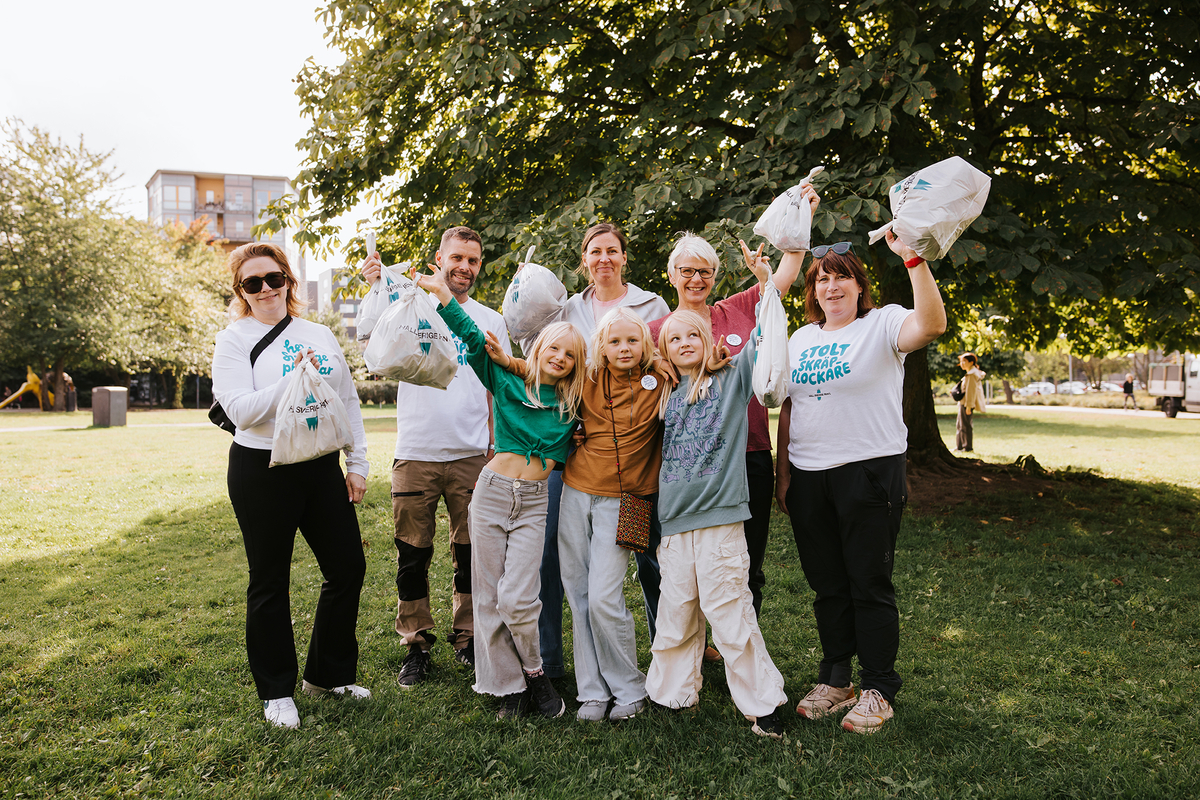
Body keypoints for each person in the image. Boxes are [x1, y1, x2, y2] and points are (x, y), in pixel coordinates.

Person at [776, 234, 946, 735]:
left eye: (842, 275)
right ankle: (835, 680)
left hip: (869, 472)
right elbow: (790, 405)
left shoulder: (883, 323)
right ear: (812, 290)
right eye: (822, 278)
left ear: (859, 284)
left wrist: (912, 259)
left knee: (868, 582)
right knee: (827, 584)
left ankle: (878, 688)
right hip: (809, 475)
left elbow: (932, 324)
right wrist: (785, 473)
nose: (832, 285)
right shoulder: (801, 338)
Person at [416, 257, 587, 720]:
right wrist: (443, 296)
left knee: (518, 597)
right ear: (541, 348)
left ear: (575, 366)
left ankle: (535, 672)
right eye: (554, 349)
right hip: (490, 493)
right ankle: (506, 688)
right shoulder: (507, 379)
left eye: (569, 355)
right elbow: (472, 340)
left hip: (533, 502)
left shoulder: (572, 406)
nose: (559, 358)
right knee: (488, 597)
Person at [212, 242, 371, 730]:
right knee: (269, 581)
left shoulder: (319, 334)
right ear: (241, 290)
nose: (265, 290)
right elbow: (240, 409)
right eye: (252, 283)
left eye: (273, 279)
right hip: (262, 470)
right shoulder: (234, 340)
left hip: (320, 466)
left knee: (347, 567)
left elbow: (346, 399)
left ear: (289, 282)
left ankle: (329, 674)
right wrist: (295, 378)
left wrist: (357, 463)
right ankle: (276, 691)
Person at [491, 308, 671, 721]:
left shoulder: (660, 380)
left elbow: (692, 368)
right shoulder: (585, 379)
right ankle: (592, 691)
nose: (623, 348)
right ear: (601, 347)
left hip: (628, 501)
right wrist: (506, 361)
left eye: (631, 341)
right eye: (614, 341)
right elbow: (541, 372)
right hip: (575, 492)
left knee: (606, 597)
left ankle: (629, 687)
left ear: (645, 343)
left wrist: (662, 360)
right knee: (578, 593)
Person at [647, 196, 818, 626]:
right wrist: (655, 362)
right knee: (685, 564)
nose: (696, 278)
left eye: (704, 271)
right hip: (687, 466)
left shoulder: (740, 309)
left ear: (715, 277)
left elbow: (782, 279)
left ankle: (738, 643)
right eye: (686, 270)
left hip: (749, 453)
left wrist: (800, 217)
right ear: (672, 276)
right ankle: (694, 642)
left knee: (747, 560)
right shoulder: (655, 333)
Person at [645, 250, 788, 740]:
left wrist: (767, 282)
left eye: (693, 336)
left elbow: (764, 338)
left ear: (709, 342)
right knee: (676, 609)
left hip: (721, 518)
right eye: (675, 338)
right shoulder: (659, 394)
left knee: (730, 609)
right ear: (663, 349)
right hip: (674, 523)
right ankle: (672, 693)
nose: (685, 343)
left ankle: (761, 704)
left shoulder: (731, 380)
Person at [361, 227, 510, 689]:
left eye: (474, 260)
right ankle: (416, 643)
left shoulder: (491, 320)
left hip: (473, 455)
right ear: (439, 259)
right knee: (412, 555)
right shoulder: (410, 306)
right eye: (457, 257)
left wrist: (493, 447)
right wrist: (375, 288)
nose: (464, 266)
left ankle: (467, 638)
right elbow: (372, 347)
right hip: (416, 452)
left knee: (471, 556)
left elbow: (496, 389)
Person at [533, 223, 669, 681]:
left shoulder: (651, 305)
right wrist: (568, 426)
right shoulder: (568, 310)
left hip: (635, 484)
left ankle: (667, 654)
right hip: (579, 468)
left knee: (651, 563)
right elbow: (549, 365)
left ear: (624, 257)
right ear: (584, 259)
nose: (604, 259)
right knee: (570, 571)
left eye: (613, 251)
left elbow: (673, 356)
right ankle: (560, 667)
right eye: (595, 252)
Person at [955, 352, 985, 452]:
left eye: (964, 361)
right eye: (961, 361)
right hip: (963, 403)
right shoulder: (970, 373)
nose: (962, 364)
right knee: (960, 425)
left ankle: (967, 447)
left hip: (966, 404)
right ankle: (959, 446)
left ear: (971, 362)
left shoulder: (972, 374)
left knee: (965, 425)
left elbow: (971, 391)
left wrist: (969, 406)